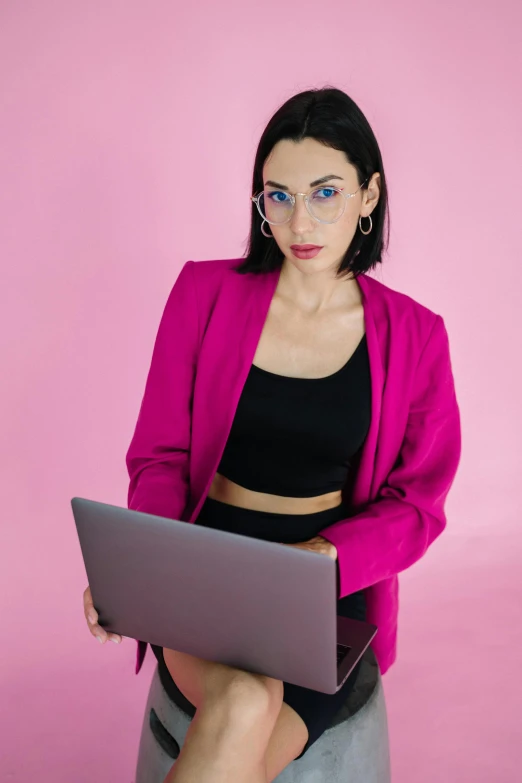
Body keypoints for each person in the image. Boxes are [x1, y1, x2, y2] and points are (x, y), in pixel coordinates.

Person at [83, 86, 462, 783]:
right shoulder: (203, 294)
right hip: (206, 563)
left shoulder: (415, 335)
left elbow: (419, 504)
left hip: (325, 588)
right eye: (278, 196)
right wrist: (146, 570)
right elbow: (159, 456)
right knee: (243, 699)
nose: (299, 221)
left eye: (325, 193)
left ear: (369, 194)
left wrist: (324, 557)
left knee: (244, 714)